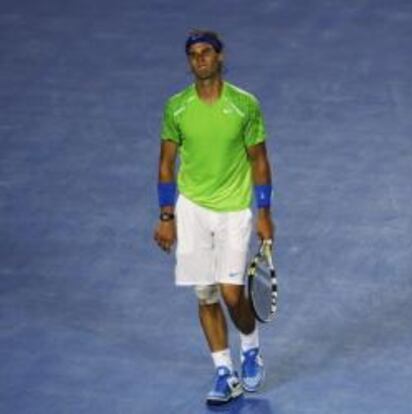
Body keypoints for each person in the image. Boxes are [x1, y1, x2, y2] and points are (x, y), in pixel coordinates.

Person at [154, 29, 274, 406]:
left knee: (232, 293)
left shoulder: (245, 105)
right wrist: (167, 215)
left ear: (220, 57)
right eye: (193, 54)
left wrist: (264, 212)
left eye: (207, 52)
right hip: (192, 210)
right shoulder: (176, 107)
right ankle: (225, 371)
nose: (200, 59)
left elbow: (259, 160)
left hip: (234, 209)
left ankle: (251, 348)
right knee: (205, 295)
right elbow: (166, 163)